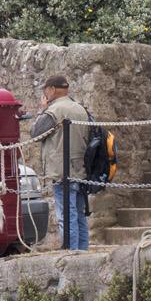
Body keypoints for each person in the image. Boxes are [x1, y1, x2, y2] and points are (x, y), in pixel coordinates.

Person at [37, 74, 94, 251]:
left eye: (46, 89)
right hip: (80, 168)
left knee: (66, 215)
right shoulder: (80, 109)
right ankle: (82, 250)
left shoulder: (54, 111)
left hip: (62, 170)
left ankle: (70, 251)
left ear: (52, 90)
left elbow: (36, 132)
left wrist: (42, 110)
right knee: (78, 215)